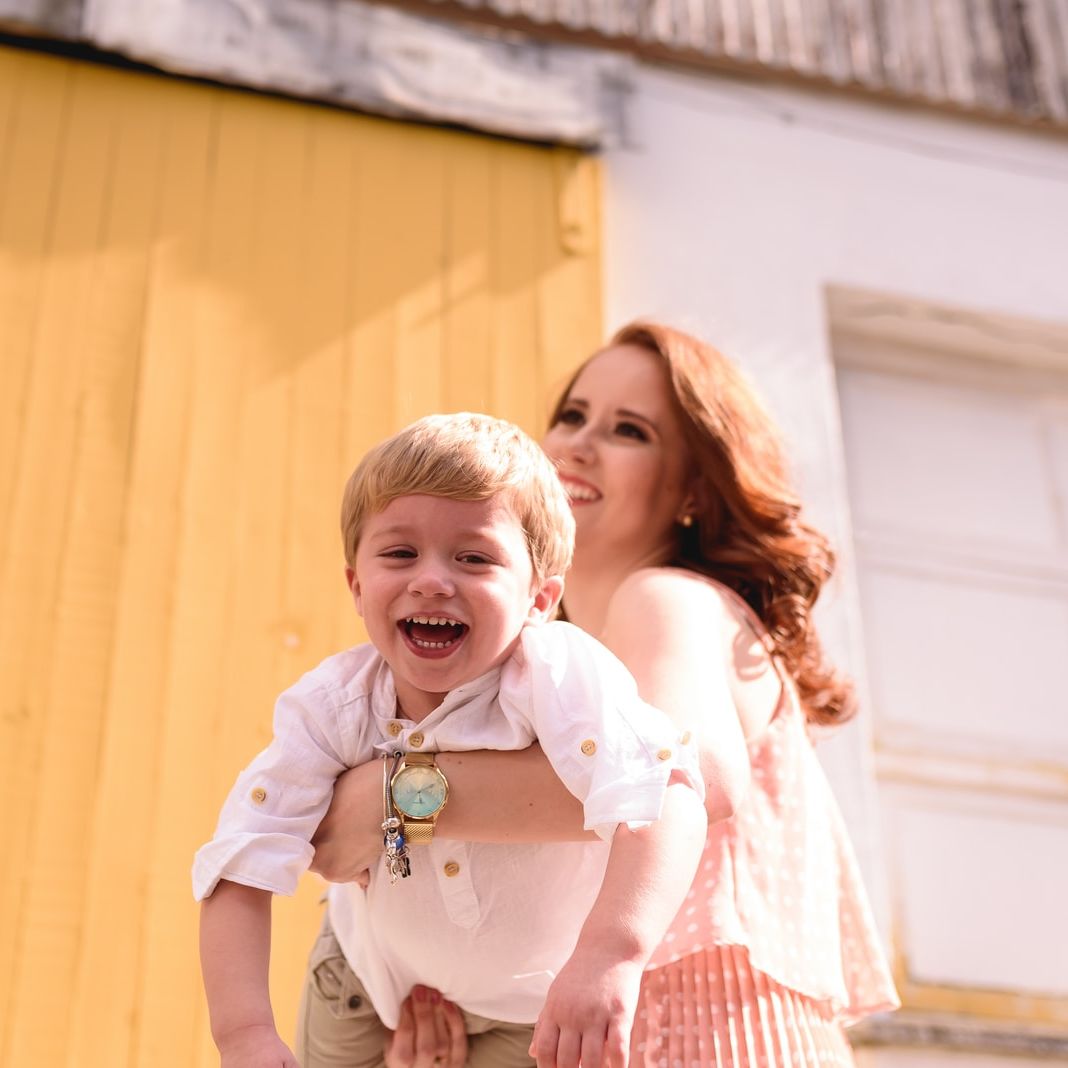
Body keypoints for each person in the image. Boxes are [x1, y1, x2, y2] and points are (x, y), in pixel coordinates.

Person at [309, 323, 900, 1068]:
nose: (578, 445)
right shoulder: (544, 669)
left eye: (629, 430)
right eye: (572, 415)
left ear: (692, 489)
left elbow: (692, 773)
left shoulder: (663, 599)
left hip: (705, 1037)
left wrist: (393, 799)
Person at [193, 412, 708, 1068]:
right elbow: (240, 861)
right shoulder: (331, 707)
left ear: (540, 598)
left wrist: (612, 955)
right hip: (368, 983)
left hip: (537, 1003)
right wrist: (243, 1036)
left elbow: (667, 795)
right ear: (355, 583)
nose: (432, 579)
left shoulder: (558, 676)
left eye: (474, 557)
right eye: (400, 553)